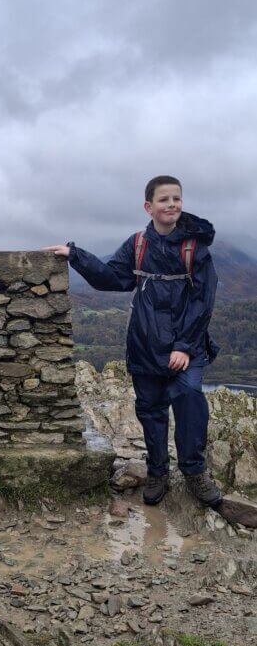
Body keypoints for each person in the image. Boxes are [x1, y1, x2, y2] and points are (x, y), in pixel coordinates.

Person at [45, 175, 222, 508]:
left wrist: (183, 346)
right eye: (164, 199)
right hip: (145, 343)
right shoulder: (138, 244)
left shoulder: (194, 247)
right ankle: (157, 473)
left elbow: (203, 299)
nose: (172, 204)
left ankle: (194, 472)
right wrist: (75, 255)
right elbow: (111, 277)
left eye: (177, 198)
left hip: (185, 345)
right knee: (150, 409)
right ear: (148, 206)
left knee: (189, 398)